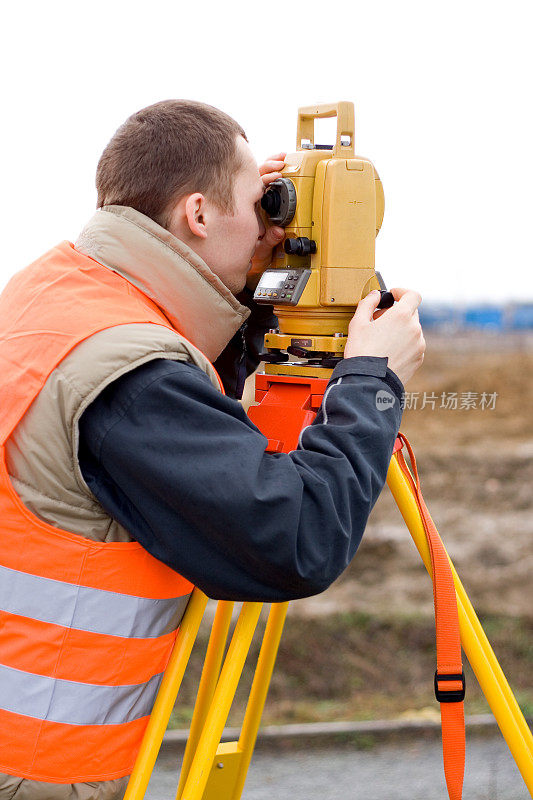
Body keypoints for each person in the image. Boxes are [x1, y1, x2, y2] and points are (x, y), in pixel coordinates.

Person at [0, 100, 425, 800]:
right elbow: (293, 539)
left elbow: (173, 417)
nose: (271, 225)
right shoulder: (128, 375)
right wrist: (369, 383)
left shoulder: (54, 296)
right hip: (39, 769)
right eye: (259, 203)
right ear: (197, 215)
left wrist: (255, 295)